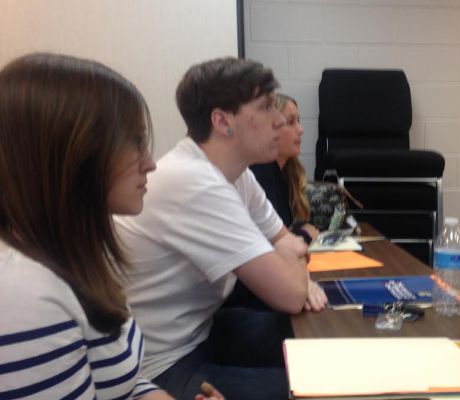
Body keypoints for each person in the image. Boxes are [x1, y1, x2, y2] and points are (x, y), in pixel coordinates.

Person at [114, 57, 327, 400]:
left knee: (324, 344)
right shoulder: (196, 181)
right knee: (321, 390)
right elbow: (290, 290)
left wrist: (292, 264)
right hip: (159, 368)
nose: (279, 121)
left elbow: (290, 244)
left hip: (202, 334)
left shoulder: (237, 173)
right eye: (267, 107)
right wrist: (297, 272)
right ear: (222, 121)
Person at [0, 53, 185, 399]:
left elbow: (119, 382)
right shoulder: (25, 295)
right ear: (72, 153)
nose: (150, 163)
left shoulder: (72, 254)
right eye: (133, 142)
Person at [250, 93, 318, 242]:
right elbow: (269, 241)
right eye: (290, 122)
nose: (301, 129)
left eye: (298, 121)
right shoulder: (260, 168)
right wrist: (306, 235)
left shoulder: (286, 171)